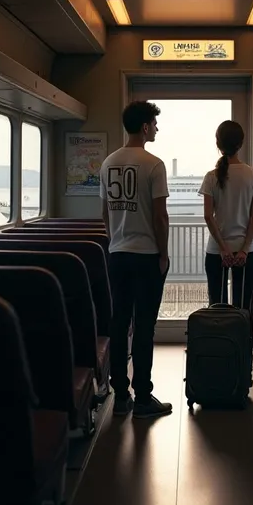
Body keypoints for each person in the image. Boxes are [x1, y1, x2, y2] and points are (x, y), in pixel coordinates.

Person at [100, 101, 172, 418]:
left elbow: (104, 214)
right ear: (144, 127)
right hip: (146, 257)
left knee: (119, 324)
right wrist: (164, 253)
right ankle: (143, 396)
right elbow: (160, 217)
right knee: (144, 326)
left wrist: (116, 239)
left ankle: (119, 395)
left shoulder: (108, 164)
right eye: (154, 124)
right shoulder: (154, 165)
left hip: (117, 255)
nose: (156, 129)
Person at [199, 120, 253, 311]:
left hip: (216, 250)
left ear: (218, 144)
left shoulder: (211, 176)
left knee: (217, 306)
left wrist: (223, 248)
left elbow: (208, 216)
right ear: (241, 143)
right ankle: (242, 341)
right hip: (246, 250)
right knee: (243, 307)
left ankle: (219, 341)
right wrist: (244, 249)